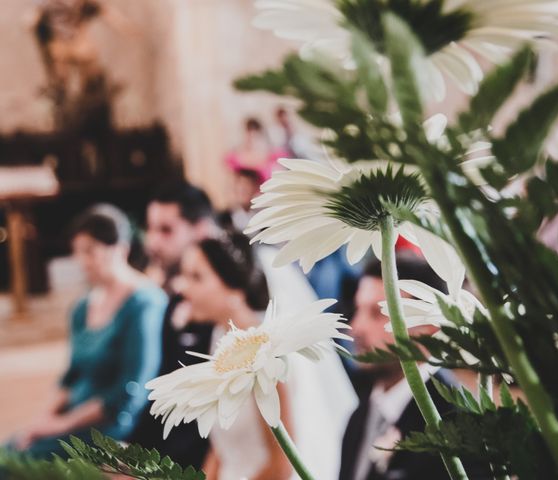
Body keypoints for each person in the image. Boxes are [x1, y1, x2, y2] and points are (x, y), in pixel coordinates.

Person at [179, 234, 355, 480]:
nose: (181, 286)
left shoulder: (270, 355)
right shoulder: (222, 337)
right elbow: (222, 448)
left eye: (196, 277)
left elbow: (282, 464)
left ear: (235, 290)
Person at [5, 204, 166, 460]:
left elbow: (130, 390)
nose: (82, 262)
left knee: (15, 463)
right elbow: (71, 376)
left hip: (108, 427)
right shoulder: (82, 307)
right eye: (77, 252)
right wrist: (43, 420)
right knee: (11, 448)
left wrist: (61, 424)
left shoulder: (145, 302)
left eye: (90, 251)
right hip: (70, 417)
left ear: (120, 248)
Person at [339, 252, 489, 480]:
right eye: (357, 310)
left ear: (429, 326)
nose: (356, 327)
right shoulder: (359, 416)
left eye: (378, 314)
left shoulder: (458, 425)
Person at [128, 182, 218, 469]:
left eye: (166, 230)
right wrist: (133, 454)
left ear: (201, 229)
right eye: (150, 229)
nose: (152, 242)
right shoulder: (172, 299)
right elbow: (160, 388)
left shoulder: (226, 308)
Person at [225, 117, 288, 184]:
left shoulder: (272, 155)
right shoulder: (237, 155)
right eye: (249, 131)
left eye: (255, 131)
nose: (252, 135)